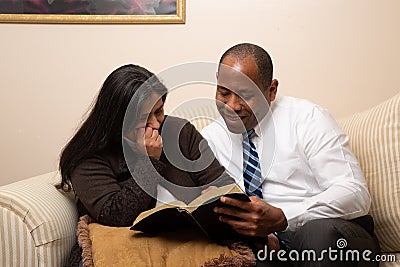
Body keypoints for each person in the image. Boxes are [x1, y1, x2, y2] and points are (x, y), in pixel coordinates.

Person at [201, 43, 380, 266]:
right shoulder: (211, 138)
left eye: (246, 95)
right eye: (224, 93)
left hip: (328, 236)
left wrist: (283, 217)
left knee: (317, 234)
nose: (232, 106)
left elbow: (355, 193)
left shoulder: (308, 119)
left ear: (272, 90)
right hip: (266, 248)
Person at [58, 64, 233, 267]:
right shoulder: (88, 157)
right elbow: (115, 216)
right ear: (118, 120)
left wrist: (216, 196)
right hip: (122, 249)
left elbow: (224, 185)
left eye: (158, 111)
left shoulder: (180, 132)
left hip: (189, 246)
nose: (155, 124)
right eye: (142, 118)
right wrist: (150, 162)